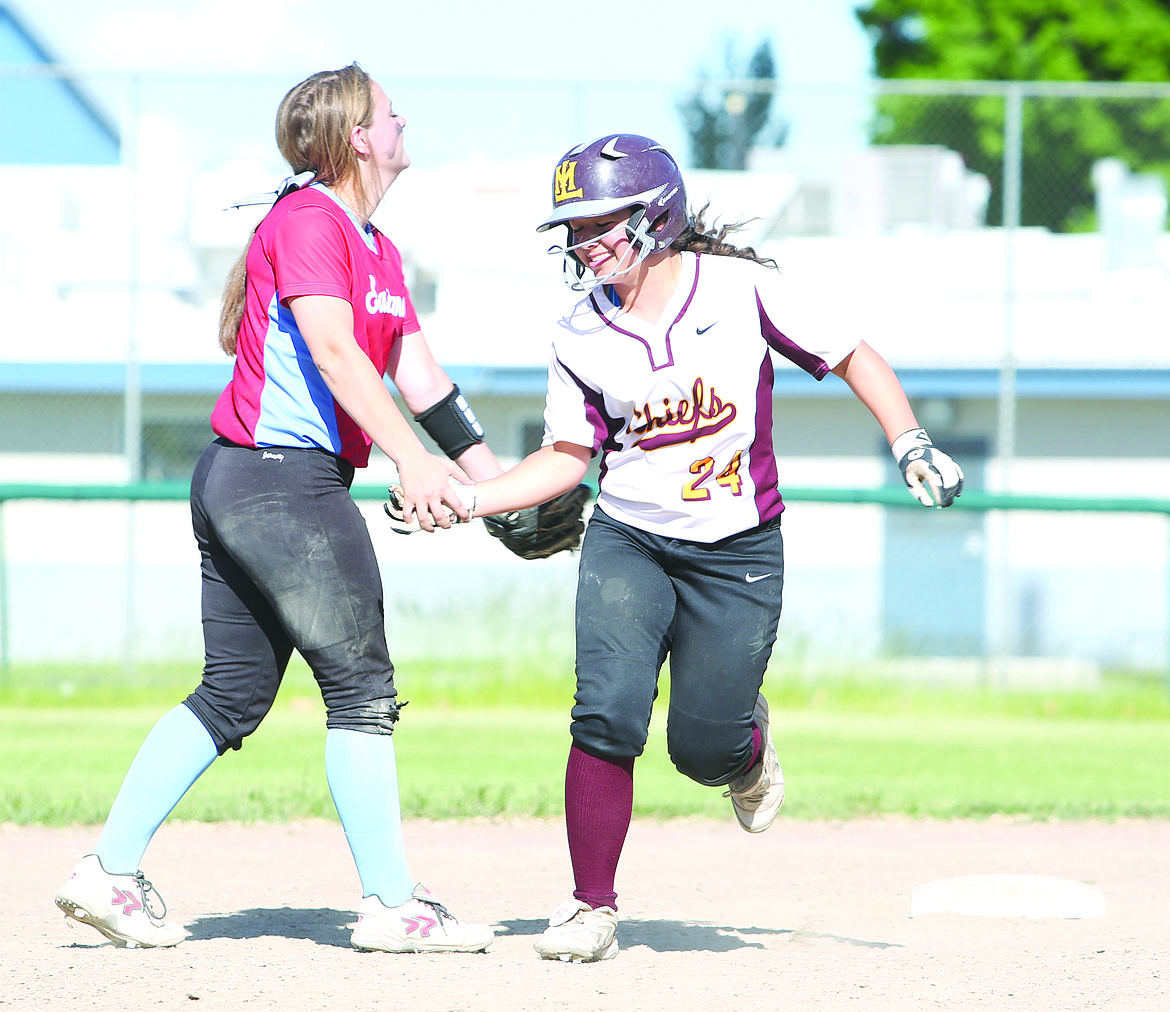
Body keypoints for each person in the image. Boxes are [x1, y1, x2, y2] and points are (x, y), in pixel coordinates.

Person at [462, 134, 964, 962]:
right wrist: (471, 497)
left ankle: (746, 746)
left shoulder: (738, 289)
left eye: (599, 222)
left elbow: (852, 354)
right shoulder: (578, 329)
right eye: (573, 229)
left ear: (655, 213)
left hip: (737, 549)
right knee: (606, 711)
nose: (583, 244)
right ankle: (592, 906)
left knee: (703, 749)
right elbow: (566, 458)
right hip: (629, 539)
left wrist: (910, 441)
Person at [53, 64, 498, 954]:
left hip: (260, 480)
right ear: (356, 138)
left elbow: (420, 374)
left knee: (234, 693)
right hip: (277, 479)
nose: (402, 116)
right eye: (386, 110)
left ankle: (106, 873)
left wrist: (491, 482)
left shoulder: (377, 246)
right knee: (362, 689)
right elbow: (336, 354)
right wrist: (410, 461)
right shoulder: (306, 220)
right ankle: (390, 904)